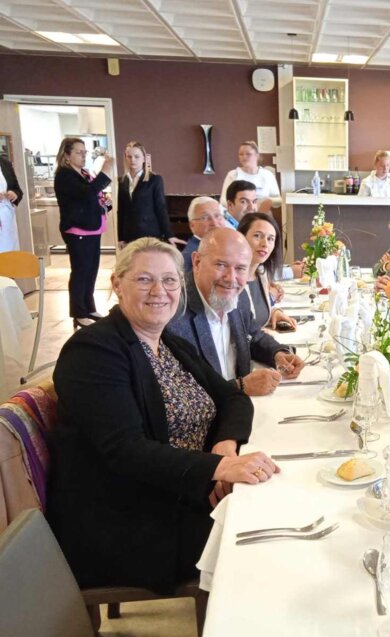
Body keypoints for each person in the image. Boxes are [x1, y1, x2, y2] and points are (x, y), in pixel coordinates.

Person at [48, 238, 280, 594]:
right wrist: (215, 470)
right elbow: (125, 450)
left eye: (170, 280)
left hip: (180, 492)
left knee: (272, 499)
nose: (160, 291)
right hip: (128, 520)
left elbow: (233, 397)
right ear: (117, 284)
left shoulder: (168, 342)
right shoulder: (93, 350)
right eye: (144, 280)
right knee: (262, 541)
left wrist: (224, 448)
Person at [167, 227, 304, 396]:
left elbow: (253, 336)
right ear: (196, 262)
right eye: (221, 264)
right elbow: (178, 396)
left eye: (240, 268)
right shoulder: (173, 314)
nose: (231, 278)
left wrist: (277, 353)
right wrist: (239, 387)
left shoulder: (238, 296)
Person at [53, 137, 113, 328]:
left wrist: (104, 204)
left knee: (91, 270)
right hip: (78, 229)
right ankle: (78, 313)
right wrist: (104, 173)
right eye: (79, 152)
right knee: (80, 271)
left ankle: (89, 307)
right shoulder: (65, 175)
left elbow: (92, 195)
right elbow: (85, 194)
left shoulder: (84, 173)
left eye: (84, 152)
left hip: (92, 228)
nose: (83, 155)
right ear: (67, 155)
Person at [237, 212, 295, 330]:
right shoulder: (232, 280)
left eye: (270, 239)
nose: (265, 244)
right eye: (257, 236)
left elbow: (254, 314)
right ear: (241, 237)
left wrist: (273, 313)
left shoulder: (261, 274)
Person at [117, 141, 180, 248]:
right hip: (130, 235)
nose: (133, 160)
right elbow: (121, 211)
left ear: (144, 158)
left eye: (137, 156)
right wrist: (121, 237)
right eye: (129, 156)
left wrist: (169, 234)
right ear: (125, 158)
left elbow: (161, 208)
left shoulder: (154, 180)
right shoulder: (123, 181)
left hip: (149, 233)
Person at [219, 141, 279, 212]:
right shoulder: (233, 175)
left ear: (257, 155)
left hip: (262, 216)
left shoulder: (267, 175)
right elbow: (223, 201)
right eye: (241, 154)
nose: (244, 157)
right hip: (240, 217)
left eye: (248, 154)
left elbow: (278, 200)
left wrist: (269, 201)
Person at [182, 197, 228, 272]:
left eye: (217, 216)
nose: (214, 223)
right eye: (205, 218)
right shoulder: (191, 255)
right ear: (192, 225)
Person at [0, 152, 23, 252]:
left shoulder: (5, 163)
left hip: (7, 217)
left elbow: (18, 190)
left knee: (9, 254)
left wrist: (14, 193)